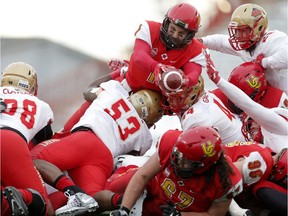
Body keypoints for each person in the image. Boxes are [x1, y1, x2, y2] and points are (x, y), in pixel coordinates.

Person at [30, 80, 163, 215]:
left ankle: (71, 191)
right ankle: (123, 201)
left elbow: (88, 92)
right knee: (92, 196)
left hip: (85, 140)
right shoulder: (145, 137)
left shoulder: (115, 91)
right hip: (104, 158)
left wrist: (119, 75)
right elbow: (126, 158)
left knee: (31, 159)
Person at [107, 126, 242, 215]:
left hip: (181, 208)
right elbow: (143, 176)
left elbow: (213, 215)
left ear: (205, 164)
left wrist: (180, 215)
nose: (178, 162)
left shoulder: (225, 180)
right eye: (177, 156)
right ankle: (125, 167)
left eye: (186, 162)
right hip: (155, 185)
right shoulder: (171, 142)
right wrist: (124, 209)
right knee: (112, 188)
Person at [204, 49, 288, 154]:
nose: (235, 100)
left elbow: (247, 104)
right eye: (233, 90)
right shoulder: (223, 94)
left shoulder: (276, 101)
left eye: (240, 95)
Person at [0, 62, 54, 215]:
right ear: (32, 86)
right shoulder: (41, 105)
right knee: (44, 206)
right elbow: (43, 140)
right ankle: (24, 195)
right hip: (10, 140)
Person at [199, 3, 288, 94]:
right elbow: (221, 42)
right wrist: (201, 41)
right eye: (237, 31)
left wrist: (264, 62)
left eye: (243, 31)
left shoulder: (271, 39)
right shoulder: (248, 43)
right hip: (269, 93)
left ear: (259, 27)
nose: (238, 36)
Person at [210, 61, 287, 115]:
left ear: (260, 92)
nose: (236, 102)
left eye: (242, 95)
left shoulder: (277, 100)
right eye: (234, 91)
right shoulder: (217, 96)